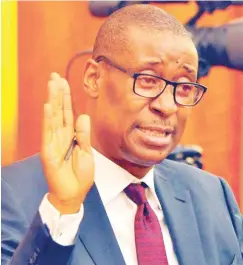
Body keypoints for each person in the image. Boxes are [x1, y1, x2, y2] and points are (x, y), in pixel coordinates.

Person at [1, 4, 242, 265]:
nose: (167, 106)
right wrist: (62, 210)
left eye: (183, 87)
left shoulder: (213, 195)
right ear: (94, 78)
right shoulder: (12, 194)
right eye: (148, 80)